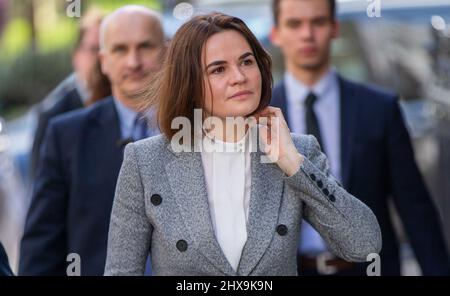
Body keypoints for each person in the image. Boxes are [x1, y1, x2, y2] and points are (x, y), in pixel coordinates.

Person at [104, 12, 381, 276]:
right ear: (190, 83)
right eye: (218, 69)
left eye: (247, 62)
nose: (239, 77)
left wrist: (293, 165)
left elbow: (364, 244)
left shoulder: (298, 151)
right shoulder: (145, 160)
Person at [270, 0, 450, 275]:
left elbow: (415, 208)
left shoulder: (379, 108)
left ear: (334, 27)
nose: (307, 34)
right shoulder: (261, 117)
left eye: (317, 22)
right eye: (294, 24)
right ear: (277, 33)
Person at [19, 5, 164, 276]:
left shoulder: (197, 128)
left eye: (145, 46)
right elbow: (41, 246)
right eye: (120, 49)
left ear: (167, 51)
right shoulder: (66, 136)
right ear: (104, 60)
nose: (133, 61)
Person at [29, 8, 108, 179]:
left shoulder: (128, 108)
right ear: (76, 56)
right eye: (94, 48)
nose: (102, 57)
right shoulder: (53, 116)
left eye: (108, 48)